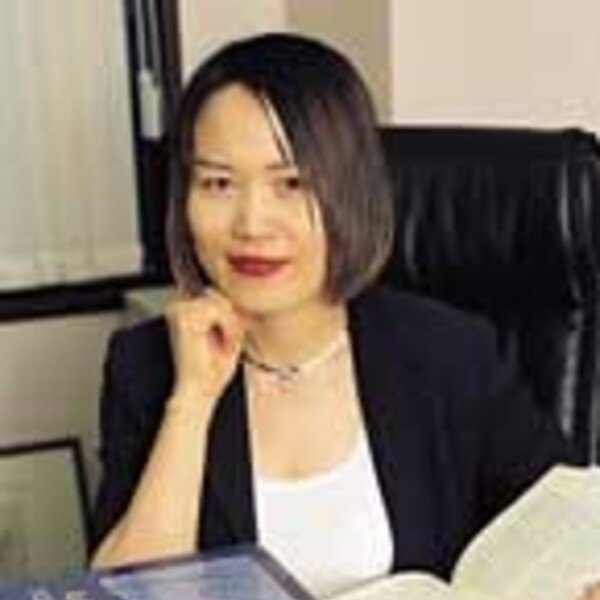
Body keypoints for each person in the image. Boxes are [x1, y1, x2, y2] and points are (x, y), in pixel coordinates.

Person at [90, 32, 591, 598]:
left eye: (292, 183)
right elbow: (120, 595)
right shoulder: (145, 367)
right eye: (219, 183)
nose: (252, 223)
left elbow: (570, 529)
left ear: (351, 192)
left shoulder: (449, 354)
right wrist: (192, 400)